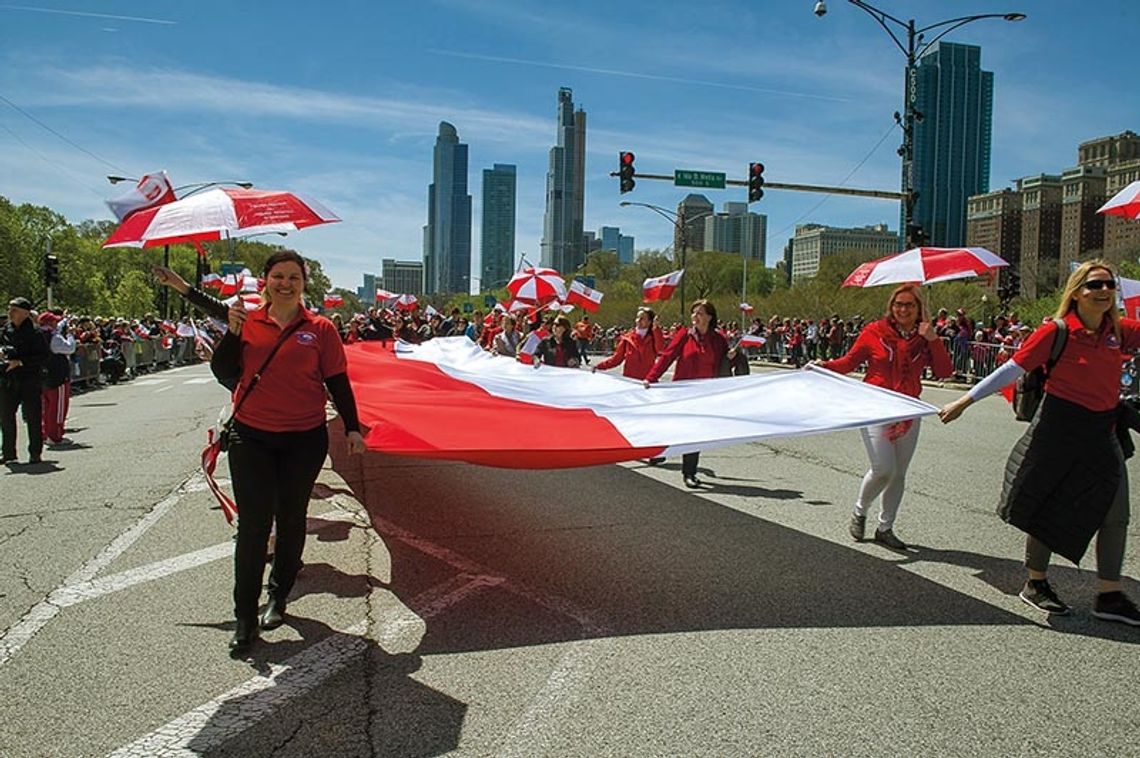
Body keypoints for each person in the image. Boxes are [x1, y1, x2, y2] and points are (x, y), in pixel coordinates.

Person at [158, 256, 368, 653]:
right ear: (265, 282)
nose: (285, 283)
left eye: (293, 277)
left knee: (291, 521)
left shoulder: (320, 329)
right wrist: (232, 332)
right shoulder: (245, 319)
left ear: (304, 284)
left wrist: (353, 427)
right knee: (253, 526)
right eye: (277, 277)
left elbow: (337, 381)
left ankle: (279, 595)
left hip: (304, 439)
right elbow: (222, 369)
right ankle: (244, 615)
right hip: (251, 437)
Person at [939, 260, 1140, 625]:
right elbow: (1012, 368)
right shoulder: (1057, 331)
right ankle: (1036, 582)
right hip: (1059, 432)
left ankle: (1109, 595)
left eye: (1110, 284)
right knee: (1047, 504)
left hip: (1102, 433)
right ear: (1078, 291)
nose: (1105, 290)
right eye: (1096, 284)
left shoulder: (1119, 331)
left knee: (1116, 514)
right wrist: (965, 401)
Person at [814, 284, 952, 549]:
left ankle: (885, 527)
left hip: (908, 409)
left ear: (918, 309)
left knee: (899, 473)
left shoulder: (925, 336)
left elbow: (944, 371)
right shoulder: (874, 332)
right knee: (883, 469)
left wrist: (933, 339)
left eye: (909, 305)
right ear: (891, 307)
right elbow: (849, 362)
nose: (903, 309)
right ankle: (860, 509)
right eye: (898, 304)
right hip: (875, 407)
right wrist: (825, 366)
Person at [644, 299, 732, 488]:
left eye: (700, 313)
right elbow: (667, 356)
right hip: (682, 392)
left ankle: (689, 473)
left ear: (709, 317)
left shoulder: (718, 340)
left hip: (704, 394)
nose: (695, 316)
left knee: (695, 433)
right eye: (694, 313)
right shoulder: (684, 335)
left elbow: (725, 365)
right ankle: (657, 451)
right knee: (674, 427)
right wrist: (651, 378)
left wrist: (733, 357)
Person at [2, 298, 50, 465]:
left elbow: (44, 356)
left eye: (14, 309)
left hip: (29, 378)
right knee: (6, 416)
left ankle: (35, 452)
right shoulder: (5, 330)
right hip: (9, 379)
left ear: (25, 313)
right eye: (10, 309)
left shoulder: (35, 333)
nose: (10, 312)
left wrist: (21, 361)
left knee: (33, 416)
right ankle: (8, 452)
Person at [39, 312, 76, 447]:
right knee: (58, 408)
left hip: (44, 377)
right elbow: (69, 348)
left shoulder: (39, 335)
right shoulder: (53, 338)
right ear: (50, 324)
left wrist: (66, 320)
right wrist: (71, 335)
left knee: (46, 408)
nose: (56, 324)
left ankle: (46, 433)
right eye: (54, 322)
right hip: (58, 376)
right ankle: (55, 435)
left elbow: (60, 326)